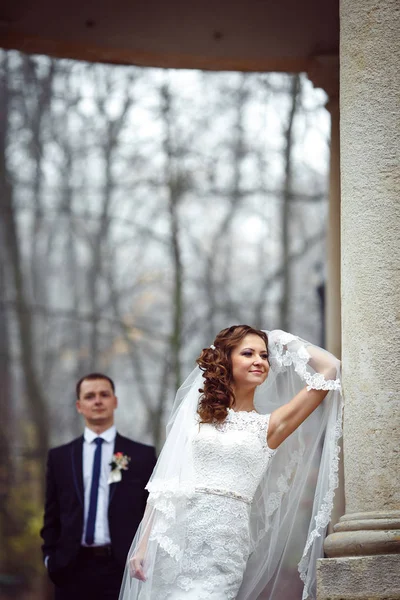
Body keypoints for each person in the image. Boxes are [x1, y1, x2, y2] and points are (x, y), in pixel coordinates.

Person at [119, 326, 342, 600]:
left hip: (224, 546)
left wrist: (281, 340)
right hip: (173, 540)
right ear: (226, 361)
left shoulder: (270, 426)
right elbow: (166, 484)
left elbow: (329, 368)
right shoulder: (195, 418)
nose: (259, 361)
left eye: (264, 355)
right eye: (248, 353)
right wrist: (143, 545)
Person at [41, 372, 157, 600]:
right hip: (70, 568)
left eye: (104, 394)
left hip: (122, 569)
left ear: (115, 401)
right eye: (90, 396)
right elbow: (51, 516)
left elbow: (150, 511)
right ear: (79, 405)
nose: (97, 401)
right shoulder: (61, 457)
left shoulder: (139, 455)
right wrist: (50, 559)